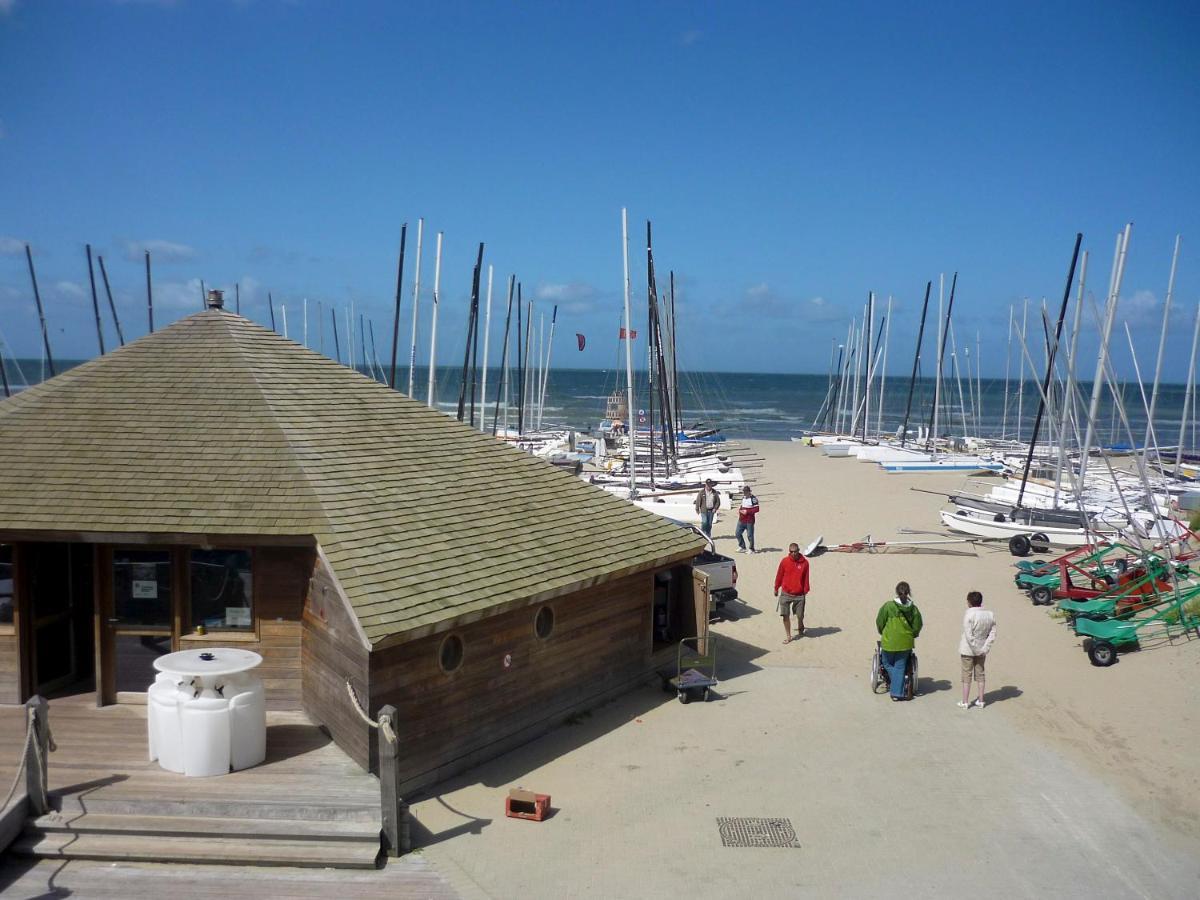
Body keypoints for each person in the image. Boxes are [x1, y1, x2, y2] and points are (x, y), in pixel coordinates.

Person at [875, 581, 922, 701]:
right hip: (905, 642)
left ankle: (896, 689)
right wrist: (913, 635)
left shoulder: (888, 606)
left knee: (886, 663)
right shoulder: (913, 609)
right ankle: (898, 686)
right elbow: (917, 625)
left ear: (897, 592)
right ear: (908, 593)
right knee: (900, 666)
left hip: (889, 641)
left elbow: (880, 621)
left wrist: (882, 631)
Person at [958, 590, 996, 709]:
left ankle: (965, 701)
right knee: (980, 674)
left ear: (969, 602)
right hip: (982, 649)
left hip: (968, 650)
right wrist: (985, 647)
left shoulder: (969, 614)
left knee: (966, 675)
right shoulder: (990, 614)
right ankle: (981, 700)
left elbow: (969, 635)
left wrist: (976, 648)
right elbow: (992, 633)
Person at [774, 543, 810, 643]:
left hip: (799, 594)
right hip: (786, 593)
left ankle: (800, 625)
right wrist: (776, 588)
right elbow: (779, 575)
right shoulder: (784, 561)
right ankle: (789, 636)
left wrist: (805, 591)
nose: (793, 553)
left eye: (795, 551)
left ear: (798, 550)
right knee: (785, 615)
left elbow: (806, 578)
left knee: (800, 615)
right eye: (791, 551)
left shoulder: (805, 563)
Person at [735, 485, 759, 553]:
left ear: (749, 492)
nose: (745, 493)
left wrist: (747, 511)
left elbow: (757, 509)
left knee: (750, 535)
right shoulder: (743, 498)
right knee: (737, 533)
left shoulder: (753, 499)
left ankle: (751, 549)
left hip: (749, 520)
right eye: (744, 492)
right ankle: (742, 546)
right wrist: (740, 510)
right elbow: (742, 506)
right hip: (741, 519)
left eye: (746, 492)